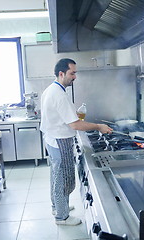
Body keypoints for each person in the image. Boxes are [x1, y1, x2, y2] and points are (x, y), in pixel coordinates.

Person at [40, 58, 112, 226]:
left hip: (53, 139)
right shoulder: (58, 94)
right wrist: (98, 126)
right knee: (62, 179)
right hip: (60, 142)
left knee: (56, 176)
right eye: (72, 73)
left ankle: (57, 206)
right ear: (61, 73)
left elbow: (63, 116)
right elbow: (74, 125)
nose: (75, 77)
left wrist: (74, 113)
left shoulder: (53, 89)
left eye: (75, 73)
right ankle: (61, 217)